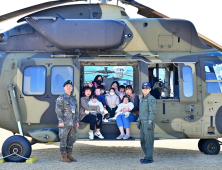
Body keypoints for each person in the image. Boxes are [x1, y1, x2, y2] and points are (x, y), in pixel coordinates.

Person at [55, 80, 79, 163]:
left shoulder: (73, 98)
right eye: (67, 86)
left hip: (72, 123)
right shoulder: (61, 98)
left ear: (72, 88)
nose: (69, 88)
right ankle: (64, 156)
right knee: (63, 139)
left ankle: (69, 155)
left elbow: (76, 111)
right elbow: (58, 110)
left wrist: (77, 121)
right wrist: (61, 121)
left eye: (70, 86)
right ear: (64, 88)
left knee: (71, 139)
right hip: (64, 123)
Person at [137, 82, 157, 164]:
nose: (144, 90)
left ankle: (149, 158)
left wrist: (150, 122)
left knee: (148, 141)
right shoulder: (142, 99)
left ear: (150, 89)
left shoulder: (151, 99)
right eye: (143, 88)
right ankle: (147, 156)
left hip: (147, 122)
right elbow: (141, 111)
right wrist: (139, 120)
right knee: (143, 141)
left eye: (146, 88)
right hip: (142, 122)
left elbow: (152, 112)